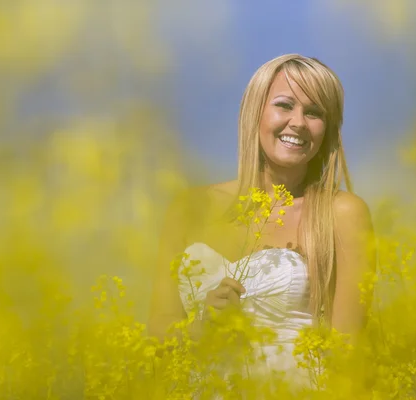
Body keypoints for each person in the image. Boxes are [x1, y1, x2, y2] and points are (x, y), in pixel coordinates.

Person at [147, 54, 376, 384]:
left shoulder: (342, 213)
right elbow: (157, 334)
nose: (298, 122)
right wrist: (202, 327)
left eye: (314, 113)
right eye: (284, 105)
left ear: (327, 130)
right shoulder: (188, 208)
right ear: (254, 112)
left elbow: (348, 354)